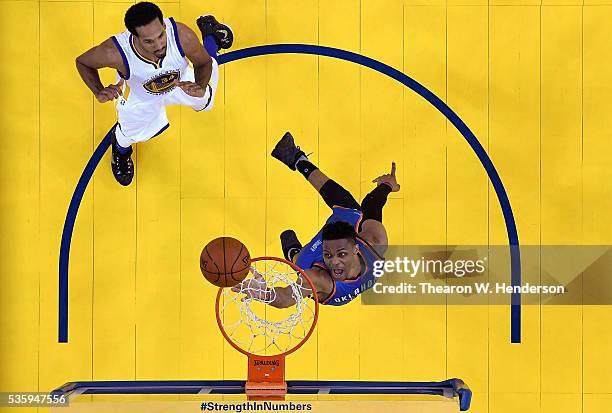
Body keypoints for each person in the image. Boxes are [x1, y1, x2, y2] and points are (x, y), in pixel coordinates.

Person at [232, 132, 400, 307]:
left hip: (320, 275)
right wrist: (387, 186)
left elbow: (286, 299)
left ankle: (293, 254)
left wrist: (265, 294)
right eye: (328, 255)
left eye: (341, 255)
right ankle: (297, 159)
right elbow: (372, 205)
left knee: (301, 262)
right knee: (353, 212)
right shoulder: (370, 244)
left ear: (356, 248)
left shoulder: (321, 275)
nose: (334, 262)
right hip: (327, 268)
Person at [75, 1, 233, 186]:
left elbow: (203, 63)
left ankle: (211, 36)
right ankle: (121, 152)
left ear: (164, 26)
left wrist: (200, 85)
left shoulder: (181, 35)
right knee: (128, 133)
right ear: (133, 36)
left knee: (206, 101)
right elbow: (83, 62)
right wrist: (98, 90)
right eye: (149, 41)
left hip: (180, 82)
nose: (158, 45)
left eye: (160, 35)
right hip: (140, 94)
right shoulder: (114, 52)